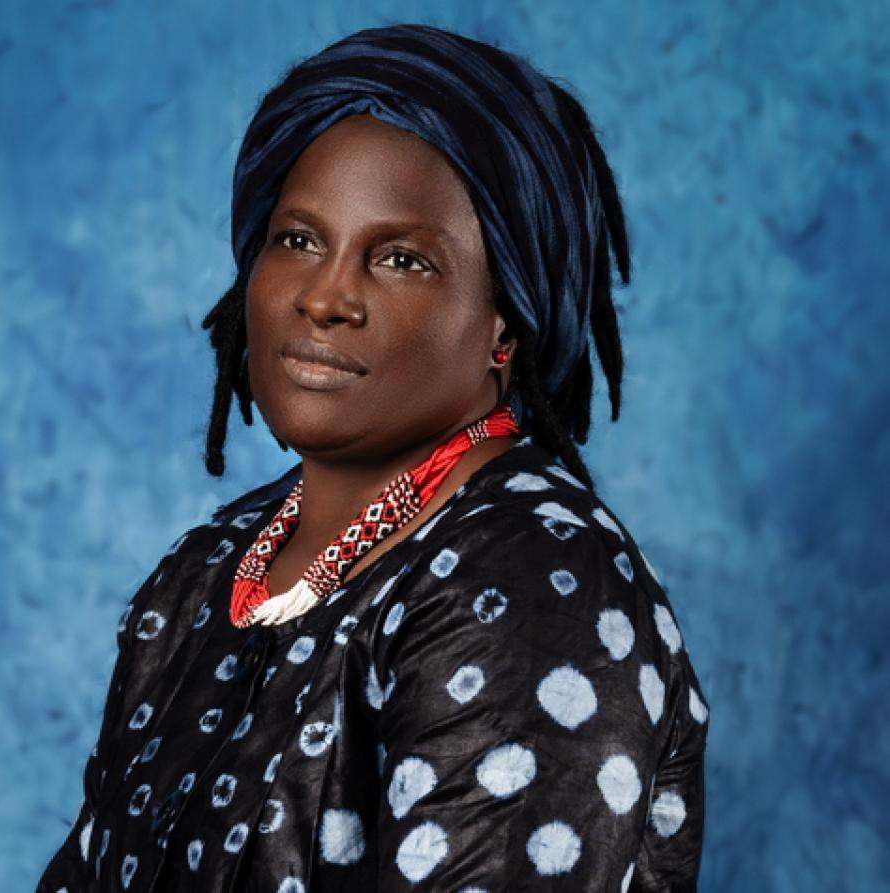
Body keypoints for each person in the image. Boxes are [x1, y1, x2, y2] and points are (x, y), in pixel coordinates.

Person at [37, 22, 709, 892]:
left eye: (400, 259)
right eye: (299, 240)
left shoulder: (536, 581)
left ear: (505, 317)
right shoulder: (204, 575)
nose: (325, 297)